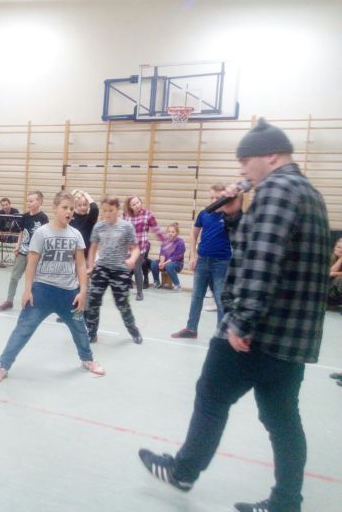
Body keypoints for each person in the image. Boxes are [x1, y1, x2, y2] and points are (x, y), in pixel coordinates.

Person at [139, 118, 331, 512]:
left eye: (245, 161)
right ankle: (286, 501)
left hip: (258, 332)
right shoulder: (307, 192)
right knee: (282, 419)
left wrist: (242, 321)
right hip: (292, 336)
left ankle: (183, 471)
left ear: (270, 155)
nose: (242, 170)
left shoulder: (276, 191)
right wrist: (234, 215)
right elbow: (273, 249)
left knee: (211, 396)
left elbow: (262, 262)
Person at [0, 191, 106, 383]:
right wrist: (27, 290)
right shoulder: (42, 233)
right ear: (55, 208)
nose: (69, 212)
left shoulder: (76, 235)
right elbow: (32, 263)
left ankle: (88, 360)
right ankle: (3, 366)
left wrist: (83, 291)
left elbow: (80, 265)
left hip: (69, 294)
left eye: (71, 209)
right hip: (42, 292)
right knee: (23, 328)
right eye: (65, 208)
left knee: (80, 329)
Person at [171, 183, 239, 339]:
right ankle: (191, 329)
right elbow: (194, 233)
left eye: (218, 198)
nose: (214, 201)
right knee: (196, 296)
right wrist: (193, 256)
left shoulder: (229, 216)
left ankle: (222, 333)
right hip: (202, 261)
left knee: (220, 298)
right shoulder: (204, 213)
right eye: (212, 197)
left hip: (221, 263)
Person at [84, 196, 143, 344]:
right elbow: (93, 248)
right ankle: (91, 332)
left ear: (117, 209)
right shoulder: (99, 227)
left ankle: (133, 329)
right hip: (102, 268)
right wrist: (91, 266)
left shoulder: (126, 227)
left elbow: (135, 248)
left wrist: (132, 259)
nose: (107, 213)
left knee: (122, 304)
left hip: (120, 271)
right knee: (93, 301)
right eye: (104, 211)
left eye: (111, 210)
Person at [0, 191, 48, 312]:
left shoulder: (43, 218)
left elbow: (45, 236)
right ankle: (9, 300)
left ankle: (32, 301)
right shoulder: (25, 216)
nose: (28, 203)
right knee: (14, 277)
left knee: (33, 280)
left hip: (35, 254)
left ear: (39, 202)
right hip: (23, 252)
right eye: (28, 201)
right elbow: (21, 232)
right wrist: (17, 246)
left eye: (31, 201)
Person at [123, 196, 166, 301]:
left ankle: (139, 292)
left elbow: (156, 229)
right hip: (127, 247)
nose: (137, 205)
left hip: (140, 247)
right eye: (133, 204)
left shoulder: (147, 214)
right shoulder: (125, 215)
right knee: (125, 269)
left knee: (137, 268)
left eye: (138, 202)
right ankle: (123, 291)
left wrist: (165, 241)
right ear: (130, 207)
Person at [150, 222, 186, 291]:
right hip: (165, 262)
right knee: (154, 263)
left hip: (177, 263)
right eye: (169, 231)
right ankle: (156, 282)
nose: (170, 233)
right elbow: (162, 253)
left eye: (173, 232)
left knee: (169, 266)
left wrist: (164, 263)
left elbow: (175, 257)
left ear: (177, 233)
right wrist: (161, 262)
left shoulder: (180, 242)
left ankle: (177, 285)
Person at [70, 189, 99, 257]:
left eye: (85, 205)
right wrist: (71, 196)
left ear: (88, 205)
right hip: (73, 254)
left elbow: (94, 208)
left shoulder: (90, 218)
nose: (83, 207)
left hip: (86, 255)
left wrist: (86, 195)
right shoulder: (71, 216)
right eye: (79, 205)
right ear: (75, 206)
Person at [328, 236, 342, 312]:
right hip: (330, 289)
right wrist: (340, 259)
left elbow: (332, 273)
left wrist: (334, 273)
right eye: (338, 247)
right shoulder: (330, 257)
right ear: (334, 248)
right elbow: (329, 273)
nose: (340, 250)